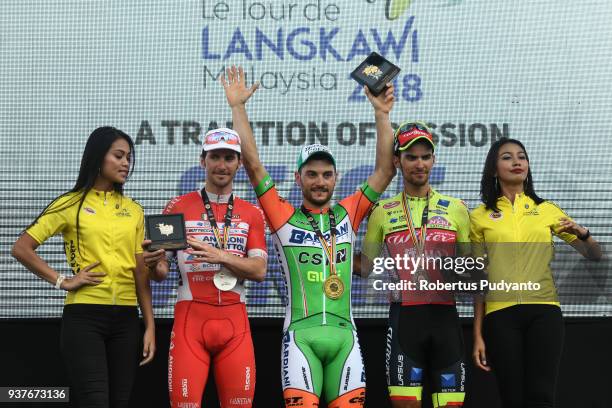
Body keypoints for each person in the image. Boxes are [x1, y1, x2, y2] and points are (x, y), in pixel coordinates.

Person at [219, 65, 395, 407]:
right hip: (301, 338)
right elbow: (254, 166)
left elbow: (386, 170)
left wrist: (382, 113)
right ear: (299, 179)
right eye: (311, 174)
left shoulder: (349, 211)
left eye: (326, 174)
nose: (319, 181)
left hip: (346, 337)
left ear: (335, 178)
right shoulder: (282, 216)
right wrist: (238, 108)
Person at [11, 126, 155, 408]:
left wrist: (149, 326)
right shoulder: (70, 203)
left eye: (129, 157)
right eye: (119, 155)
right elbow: (21, 248)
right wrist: (62, 280)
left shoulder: (134, 210)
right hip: (85, 318)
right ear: (98, 157)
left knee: (119, 402)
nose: (126, 163)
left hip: (127, 320)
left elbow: (141, 274)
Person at [470, 137, 602, 408]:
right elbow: (477, 280)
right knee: (512, 398)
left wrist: (584, 234)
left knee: (541, 396)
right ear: (493, 169)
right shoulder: (479, 216)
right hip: (500, 315)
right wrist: (478, 335)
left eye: (522, 156)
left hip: (544, 311)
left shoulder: (546, 210)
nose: (517, 161)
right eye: (507, 157)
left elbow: (594, 255)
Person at [143, 127, 268, 408]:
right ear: (203, 161)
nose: (221, 165)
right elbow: (161, 272)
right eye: (214, 157)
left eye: (228, 157)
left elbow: (259, 270)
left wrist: (221, 256)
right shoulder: (178, 206)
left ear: (239, 163)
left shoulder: (252, 213)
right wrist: (153, 264)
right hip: (190, 322)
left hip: (236, 323)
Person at [358, 122, 471, 408]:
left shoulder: (457, 208)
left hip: (446, 318)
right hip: (404, 319)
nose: (419, 164)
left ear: (434, 159)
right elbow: (366, 267)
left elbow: (472, 269)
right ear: (397, 161)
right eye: (411, 156)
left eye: (425, 156)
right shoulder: (383, 211)